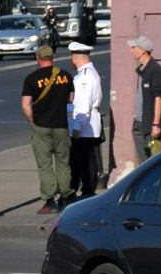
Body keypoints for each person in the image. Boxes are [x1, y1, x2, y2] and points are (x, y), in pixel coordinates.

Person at [22, 44, 74, 213]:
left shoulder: (31, 79)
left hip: (41, 126)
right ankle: (66, 198)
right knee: (63, 163)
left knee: (45, 165)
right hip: (61, 126)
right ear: (52, 58)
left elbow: (25, 106)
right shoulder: (65, 76)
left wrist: (32, 122)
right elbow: (71, 99)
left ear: (38, 58)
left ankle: (50, 201)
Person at [129, 34, 161, 161]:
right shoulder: (142, 70)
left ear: (143, 50)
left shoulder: (155, 70)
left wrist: (156, 124)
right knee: (143, 163)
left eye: (134, 47)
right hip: (139, 123)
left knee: (154, 162)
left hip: (150, 126)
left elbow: (159, 98)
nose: (131, 50)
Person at [67, 40, 102, 199]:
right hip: (89, 123)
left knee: (84, 160)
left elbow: (83, 104)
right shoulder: (88, 73)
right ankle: (87, 188)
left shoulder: (85, 77)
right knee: (87, 159)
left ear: (75, 57)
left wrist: (77, 127)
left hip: (85, 125)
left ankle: (87, 190)